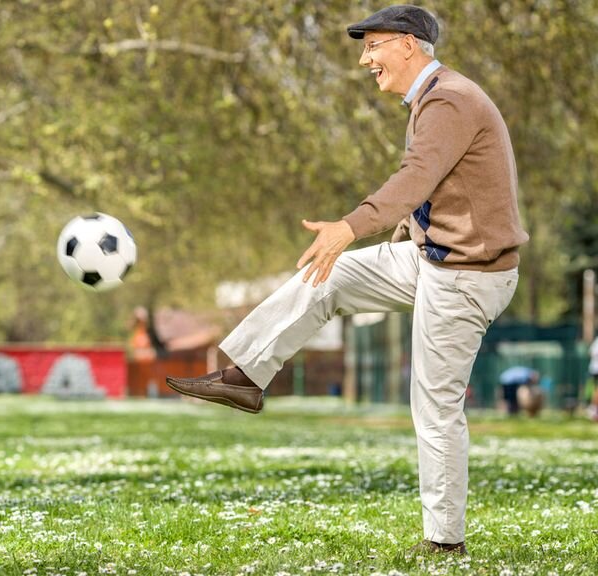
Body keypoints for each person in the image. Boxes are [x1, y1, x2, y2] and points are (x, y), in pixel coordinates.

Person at [166, 5, 527, 556]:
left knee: (435, 407)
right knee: (328, 274)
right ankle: (245, 376)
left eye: (372, 46)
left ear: (408, 45)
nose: (365, 60)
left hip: (467, 276)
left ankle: (444, 542)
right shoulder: (434, 98)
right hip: (434, 260)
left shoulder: (450, 100)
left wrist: (350, 227)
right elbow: (438, 190)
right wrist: (394, 236)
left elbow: (416, 178)